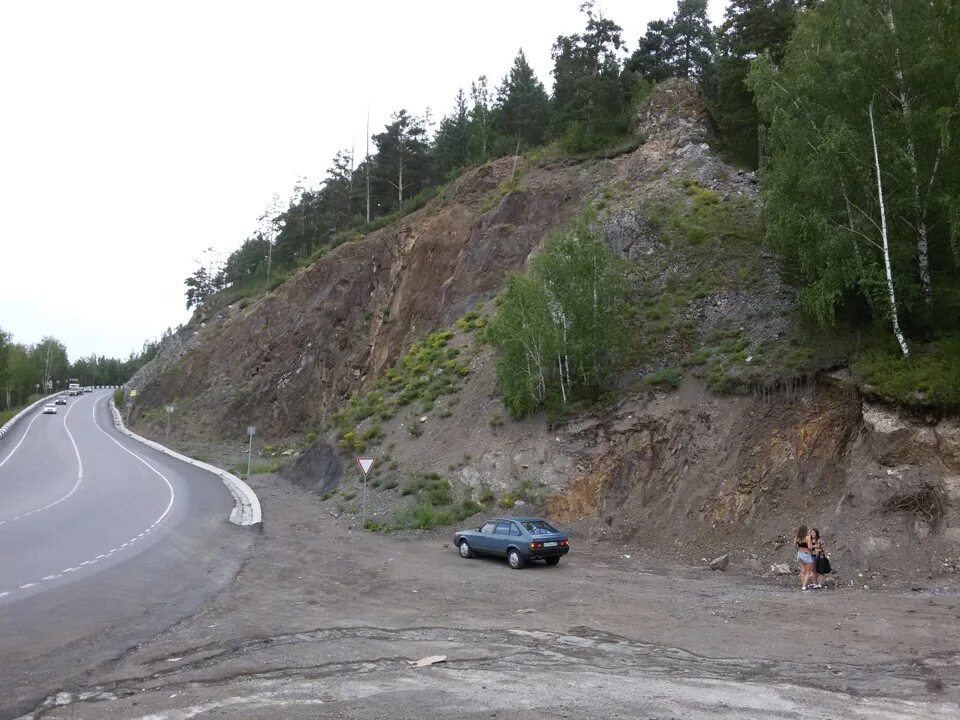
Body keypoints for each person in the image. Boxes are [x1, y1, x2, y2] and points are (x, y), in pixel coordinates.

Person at [795, 524, 816, 591]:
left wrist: (799, 549)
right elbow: (809, 547)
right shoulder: (807, 537)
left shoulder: (797, 537)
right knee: (807, 571)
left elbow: (794, 545)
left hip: (799, 553)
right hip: (806, 554)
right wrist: (814, 546)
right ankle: (804, 586)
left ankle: (803, 585)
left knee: (802, 571)